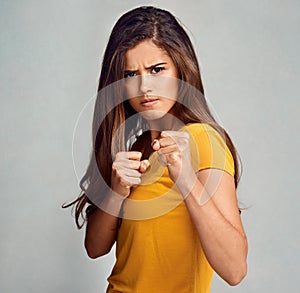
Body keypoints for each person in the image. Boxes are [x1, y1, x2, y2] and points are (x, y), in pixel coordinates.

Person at [64, 6, 248, 292]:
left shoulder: (202, 139)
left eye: (157, 70)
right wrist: (117, 190)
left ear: (181, 69)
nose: (144, 87)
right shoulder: (137, 147)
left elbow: (235, 269)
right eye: (130, 74)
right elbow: (95, 248)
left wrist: (185, 178)